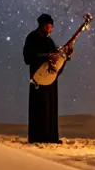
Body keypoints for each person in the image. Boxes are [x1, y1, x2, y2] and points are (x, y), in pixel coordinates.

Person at [23, 13, 72, 144]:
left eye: (51, 27)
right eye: (47, 26)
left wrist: (66, 55)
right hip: (38, 80)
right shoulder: (32, 38)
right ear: (42, 26)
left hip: (50, 81)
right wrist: (46, 56)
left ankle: (51, 138)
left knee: (50, 108)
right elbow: (27, 57)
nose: (50, 29)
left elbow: (56, 60)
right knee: (38, 109)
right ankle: (37, 138)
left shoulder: (50, 41)